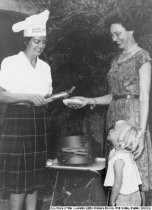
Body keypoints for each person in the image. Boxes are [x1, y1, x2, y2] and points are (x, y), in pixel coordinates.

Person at [66, 14, 152, 205]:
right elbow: (114, 95)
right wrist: (89, 99)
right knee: (117, 172)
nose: (114, 39)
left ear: (131, 30)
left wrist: (141, 133)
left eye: (117, 34)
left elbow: (144, 96)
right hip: (114, 117)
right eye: (112, 35)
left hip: (133, 118)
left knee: (135, 176)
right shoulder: (116, 60)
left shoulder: (143, 56)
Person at [0, 10, 53, 210]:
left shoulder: (45, 67)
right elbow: (1, 95)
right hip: (17, 120)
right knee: (18, 180)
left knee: (34, 178)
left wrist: (55, 98)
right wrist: (27, 96)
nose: (40, 45)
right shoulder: (10, 63)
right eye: (36, 41)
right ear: (27, 41)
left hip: (38, 120)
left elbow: (45, 97)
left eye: (43, 42)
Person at [104, 120, 142, 206]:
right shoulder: (128, 154)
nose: (110, 130)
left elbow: (118, 184)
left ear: (121, 141)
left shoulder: (118, 159)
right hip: (135, 195)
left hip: (123, 198)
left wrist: (112, 201)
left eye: (113, 129)